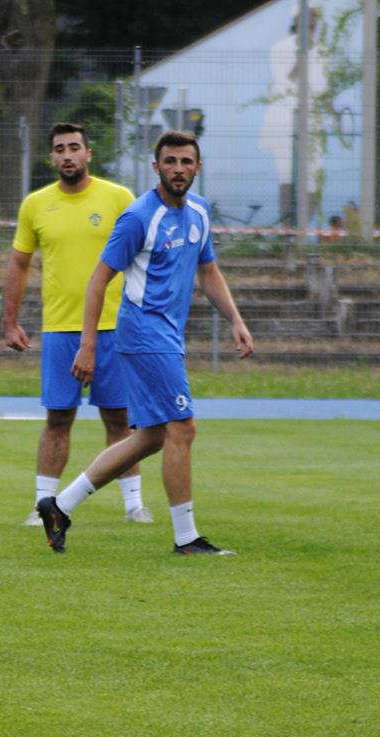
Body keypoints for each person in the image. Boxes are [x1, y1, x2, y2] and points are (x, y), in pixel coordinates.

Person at [35, 131, 253, 556]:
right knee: (183, 428)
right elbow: (98, 279)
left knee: (153, 435)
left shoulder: (199, 212)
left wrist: (236, 319)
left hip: (168, 335)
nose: (178, 169)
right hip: (142, 332)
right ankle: (187, 538)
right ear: (156, 167)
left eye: (186, 162)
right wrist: (88, 345)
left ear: (197, 168)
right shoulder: (138, 217)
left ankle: (60, 505)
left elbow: (207, 270)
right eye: (169, 161)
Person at [3, 123, 149, 527]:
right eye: (59, 149)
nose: (67, 155)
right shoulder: (35, 204)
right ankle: (42, 505)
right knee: (58, 419)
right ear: (51, 158)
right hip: (60, 330)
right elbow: (19, 263)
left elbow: (144, 258)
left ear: (89, 153)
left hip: (115, 329)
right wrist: (10, 320)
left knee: (120, 419)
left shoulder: (119, 198)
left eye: (74, 148)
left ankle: (134, 504)